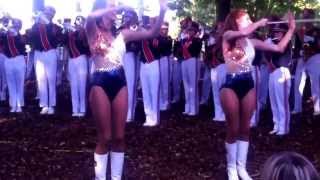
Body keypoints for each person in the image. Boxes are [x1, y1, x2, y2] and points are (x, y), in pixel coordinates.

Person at [85, 0, 167, 179]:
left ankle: (116, 177)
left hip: (120, 81)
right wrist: (116, 7)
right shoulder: (92, 30)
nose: (115, 9)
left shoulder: (122, 34)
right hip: (100, 81)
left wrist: (162, 12)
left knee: (120, 137)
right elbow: (90, 17)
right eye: (111, 5)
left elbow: (152, 32)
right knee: (104, 137)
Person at [220, 9, 295, 180]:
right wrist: (259, 23)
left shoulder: (252, 41)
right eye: (245, 18)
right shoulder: (228, 35)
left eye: (249, 18)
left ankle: (241, 168)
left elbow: (279, 47)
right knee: (233, 127)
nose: (249, 20)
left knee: (245, 128)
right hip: (230, 84)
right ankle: (231, 169)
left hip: (248, 83)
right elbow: (244, 31)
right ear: (236, 21)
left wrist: (290, 29)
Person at [27, 6, 63, 115]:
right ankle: (44, 105)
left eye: (50, 12)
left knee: (51, 80)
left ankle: (51, 105)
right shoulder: (35, 26)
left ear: (53, 15)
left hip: (50, 53)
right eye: (46, 12)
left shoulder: (55, 27)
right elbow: (31, 38)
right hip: (39, 54)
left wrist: (47, 23)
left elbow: (58, 38)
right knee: (41, 80)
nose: (47, 14)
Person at [266, 21, 292, 135]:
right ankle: (277, 125)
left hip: (282, 72)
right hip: (273, 72)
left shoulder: (286, 42)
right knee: (274, 101)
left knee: (282, 102)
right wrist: (268, 63)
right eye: (275, 32)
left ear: (285, 33)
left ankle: (284, 128)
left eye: (279, 32)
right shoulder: (272, 42)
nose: (276, 34)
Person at [292, 8, 320, 116]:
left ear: (312, 18)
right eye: (304, 16)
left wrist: (311, 45)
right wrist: (297, 56)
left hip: (315, 57)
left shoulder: (317, 30)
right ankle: (297, 108)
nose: (305, 18)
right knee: (297, 83)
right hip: (302, 58)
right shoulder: (300, 31)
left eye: (307, 16)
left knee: (315, 83)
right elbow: (298, 46)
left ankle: (317, 108)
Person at [63, 16, 90, 117]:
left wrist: (81, 31)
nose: (78, 22)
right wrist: (65, 30)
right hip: (71, 60)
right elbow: (63, 42)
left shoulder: (85, 32)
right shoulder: (69, 32)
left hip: (81, 58)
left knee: (82, 85)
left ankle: (82, 109)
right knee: (73, 85)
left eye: (80, 20)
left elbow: (86, 45)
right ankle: (75, 109)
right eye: (77, 20)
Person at [0, 18, 26, 113]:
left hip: (19, 60)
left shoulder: (22, 36)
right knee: (11, 84)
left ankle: (19, 104)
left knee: (19, 83)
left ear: (20, 27)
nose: (15, 27)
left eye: (17, 25)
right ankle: (13, 105)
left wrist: (16, 34)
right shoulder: (3, 36)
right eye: (13, 25)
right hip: (8, 60)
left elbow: (23, 43)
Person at [181, 21, 202, 116]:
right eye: (189, 30)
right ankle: (187, 107)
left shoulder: (197, 40)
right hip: (184, 61)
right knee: (186, 84)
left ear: (195, 31)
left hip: (193, 60)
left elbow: (196, 50)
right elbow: (179, 50)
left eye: (192, 30)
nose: (190, 31)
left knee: (193, 85)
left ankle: (194, 108)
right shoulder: (184, 40)